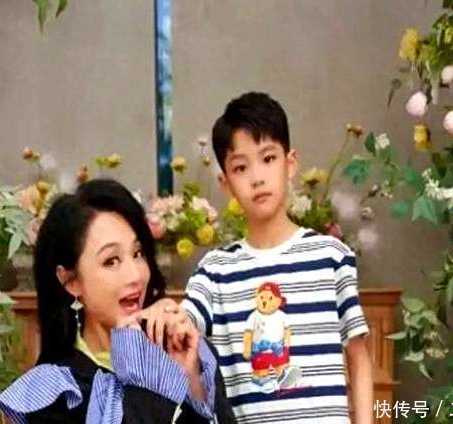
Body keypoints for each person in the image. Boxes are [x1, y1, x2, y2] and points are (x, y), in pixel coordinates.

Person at [148, 92, 374, 423]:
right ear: (226, 184)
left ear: (290, 163)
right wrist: (164, 311)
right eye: (241, 167)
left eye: (268, 159)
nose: (257, 177)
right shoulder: (215, 271)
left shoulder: (331, 256)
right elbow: (184, 323)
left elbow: (359, 356)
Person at [0, 178, 235, 424]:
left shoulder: (186, 351)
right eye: (111, 261)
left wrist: (191, 380)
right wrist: (139, 365)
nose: (135, 276)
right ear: (70, 281)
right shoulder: (55, 392)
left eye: (138, 253)